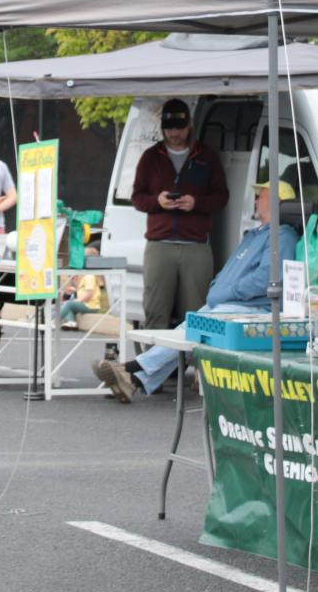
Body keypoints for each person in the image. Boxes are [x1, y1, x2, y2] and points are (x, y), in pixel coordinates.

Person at [95, 182, 295, 402]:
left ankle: (131, 368)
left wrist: (225, 293)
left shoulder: (282, 235)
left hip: (254, 307)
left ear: (277, 202)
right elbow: (229, 272)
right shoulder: (254, 235)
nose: (256, 201)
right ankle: (135, 381)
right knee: (187, 328)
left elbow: (266, 279)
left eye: (262, 196)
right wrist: (218, 288)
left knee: (194, 327)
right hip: (231, 302)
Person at [130, 98, 228, 330]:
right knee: (155, 309)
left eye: (179, 128)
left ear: (189, 126)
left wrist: (196, 203)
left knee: (196, 312)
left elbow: (221, 197)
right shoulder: (151, 156)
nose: (174, 133)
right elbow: (137, 197)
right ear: (163, 128)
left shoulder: (207, 156)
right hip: (159, 244)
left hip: (196, 244)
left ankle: (195, 364)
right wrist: (158, 201)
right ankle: (155, 364)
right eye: (169, 128)